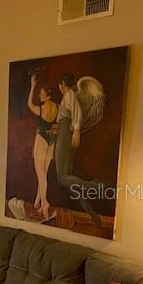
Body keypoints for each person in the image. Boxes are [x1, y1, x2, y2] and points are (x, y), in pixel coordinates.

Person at [54, 72, 101, 226]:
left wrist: (76, 130)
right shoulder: (68, 96)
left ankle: (96, 185)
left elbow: (76, 113)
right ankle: (90, 211)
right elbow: (66, 117)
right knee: (67, 182)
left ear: (63, 84)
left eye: (59, 85)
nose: (59, 88)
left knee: (62, 179)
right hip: (63, 134)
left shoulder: (69, 94)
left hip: (65, 137)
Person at [27, 74, 57, 221]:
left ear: (48, 96)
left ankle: (44, 204)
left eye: (42, 94)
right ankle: (37, 202)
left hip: (41, 138)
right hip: (51, 139)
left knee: (41, 174)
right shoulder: (56, 107)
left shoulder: (42, 108)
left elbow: (29, 105)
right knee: (43, 173)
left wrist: (32, 86)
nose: (39, 96)